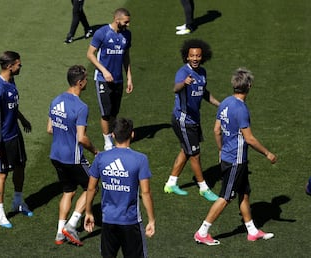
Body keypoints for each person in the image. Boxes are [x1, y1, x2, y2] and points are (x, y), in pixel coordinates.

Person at [194, 68, 277, 246]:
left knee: (244, 193)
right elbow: (250, 139)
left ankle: (252, 230)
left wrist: (220, 149)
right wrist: (267, 153)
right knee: (226, 197)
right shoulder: (241, 109)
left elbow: (216, 130)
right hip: (235, 160)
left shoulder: (225, 102)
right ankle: (202, 231)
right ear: (249, 86)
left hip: (228, 156)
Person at [84, 118, 155, 258]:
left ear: (113, 135)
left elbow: (91, 188)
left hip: (108, 221)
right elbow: (145, 192)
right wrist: (151, 220)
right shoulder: (140, 159)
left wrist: (88, 212)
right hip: (131, 221)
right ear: (132, 134)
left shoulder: (101, 158)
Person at [47, 65, 99, 245]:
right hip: (73, 157)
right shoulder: (81, 107)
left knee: (68, 191)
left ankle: (59, 234)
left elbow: (49, 129)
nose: (87, 81)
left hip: (55, 155)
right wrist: (95, 151)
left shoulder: (55, 100)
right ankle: (72, 224)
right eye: (85, 79)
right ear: (79, 82)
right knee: (92, 186)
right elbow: (82, 138)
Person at [164, 39, 220, 201]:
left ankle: (171, 183)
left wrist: (219, 104)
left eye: (198, 56)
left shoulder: (202, 72)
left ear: (202, 57)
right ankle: (203, 188)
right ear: (187, 57)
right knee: (195, 154)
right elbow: (175, 88)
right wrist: (184, 83)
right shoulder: (183, 72)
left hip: (194, 119)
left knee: (186, 150)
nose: (195, 59)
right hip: (183, 119)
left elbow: (204, 92)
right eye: (192, 56)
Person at [0, 51, 33, 229]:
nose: (20, 67)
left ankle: (18, 201)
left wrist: (22, 118)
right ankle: (0, 213)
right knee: (2, 174)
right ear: (9, 66)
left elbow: (12, 105)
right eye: (18, 64)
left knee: (21, 166)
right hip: (3, 139)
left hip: (15, 134)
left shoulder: (11, 81)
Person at [86, 8, 133, 150]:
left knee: (114, 112)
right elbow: (90, 54)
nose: (128, 25)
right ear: (117, 20)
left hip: (118, 80)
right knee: (105, 113)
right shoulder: (102, 33)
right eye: (126, 22)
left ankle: (112, 135)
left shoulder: (127, 35)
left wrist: (129, 78)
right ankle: (107, 142)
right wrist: (104, 71)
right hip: (102, 79)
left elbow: (126, 56)